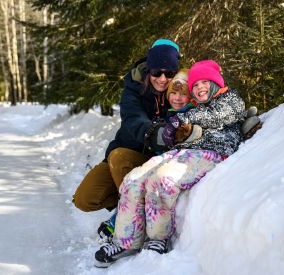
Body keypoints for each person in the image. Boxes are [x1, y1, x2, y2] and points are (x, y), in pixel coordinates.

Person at [94, 60, 245, 268]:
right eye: (196, 85)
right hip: (183, 151)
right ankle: (124, 240)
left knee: (162, 179)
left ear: (217, 83)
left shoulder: (230, 99)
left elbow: (217, 115)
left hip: (211, 153)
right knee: (133, 179)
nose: (200, 87)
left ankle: (157, 238)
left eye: (205, 82)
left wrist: (184, 119)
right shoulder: (196, 107)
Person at [72, 39, 181, 233]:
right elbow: (133, 119)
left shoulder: (180, 90)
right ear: (149, 70)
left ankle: (131, 216)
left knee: (119, 157)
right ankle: (129, 202)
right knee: (84, 199)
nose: (162, 79)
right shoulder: (133, 88)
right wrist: (155, 132)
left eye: (169, 73)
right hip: (126, 155)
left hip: (155, 160)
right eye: (157, 72)